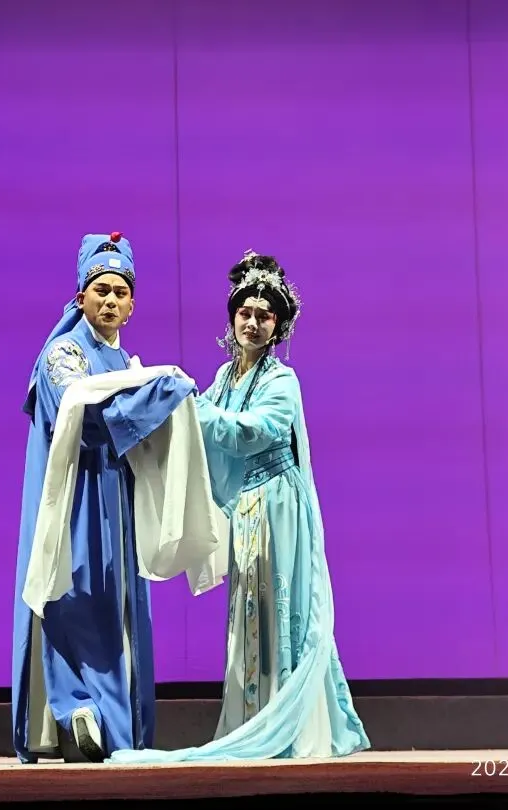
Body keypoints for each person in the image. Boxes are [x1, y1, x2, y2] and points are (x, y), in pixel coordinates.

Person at [108, 249, 371, 763]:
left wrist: (191, 405)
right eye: (245, 312)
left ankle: (291, 725)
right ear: (232, 318)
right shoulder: (225, 377)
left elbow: (255, 432)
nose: (252, 322)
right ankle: (252, 717)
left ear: (278, 326)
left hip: (278, 505)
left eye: (264, 315)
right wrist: (159, 403)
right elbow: (196, 426)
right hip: (247, 508)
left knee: (279, 609)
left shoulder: (281, 380)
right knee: (248, 610)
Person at [11, 231, 202, 765]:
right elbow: (90, 419)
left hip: (115, 499)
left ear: (133, 304)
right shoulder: (64, 354)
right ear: (81, 297)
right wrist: (158, 395)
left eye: (121, 292)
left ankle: (109, 725)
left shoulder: (124, 362)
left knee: (115, 606)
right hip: (75, 500)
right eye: (101, 291)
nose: (111, 301)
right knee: (74, 598)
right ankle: (79, 708)